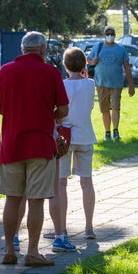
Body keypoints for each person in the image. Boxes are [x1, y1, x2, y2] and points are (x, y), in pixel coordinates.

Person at [0, 31, 69, 267]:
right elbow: (63, 110)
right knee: (36, 200)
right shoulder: (51, 72)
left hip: (12, 144)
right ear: (43, 49)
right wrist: (47, 115)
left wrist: (17, 114)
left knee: (12, 199)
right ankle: (33, 252)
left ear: (22, 49)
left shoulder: (5, 71)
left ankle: (8, 249)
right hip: (40, 144)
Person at [46, 47, 98, 248]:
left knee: (61, 184)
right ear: (84, 65)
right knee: (87, 182)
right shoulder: (90, 84)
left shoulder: (62, 84)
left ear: (64, 65)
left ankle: (63, 228)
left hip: (64, 136)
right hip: (85, 135)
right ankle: (89, 227)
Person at [87, 25, 135, 141]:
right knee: (104, 109)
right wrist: (93, 61)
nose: (110, 36)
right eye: (107, 34)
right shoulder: (98, 47)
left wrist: (131, 84)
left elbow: (127, 67)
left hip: (116, 84)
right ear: (104, 35)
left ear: (115, 35)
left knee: (115, 107)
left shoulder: (120, 49)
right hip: (101, 83)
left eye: (112, 34)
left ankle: (115, 130)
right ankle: (107, 132)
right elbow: (88, 59)